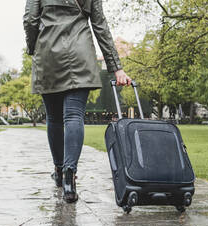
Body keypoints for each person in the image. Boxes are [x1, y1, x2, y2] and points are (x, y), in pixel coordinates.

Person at [24, 0, 131, 203]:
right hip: (80, 53)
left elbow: (30, 20)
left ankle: (59, 169)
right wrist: (116, 67)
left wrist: (34, 47)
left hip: (48, 53)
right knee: (74, 115)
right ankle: (69, 176)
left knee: (54, 119)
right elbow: (100, 24)